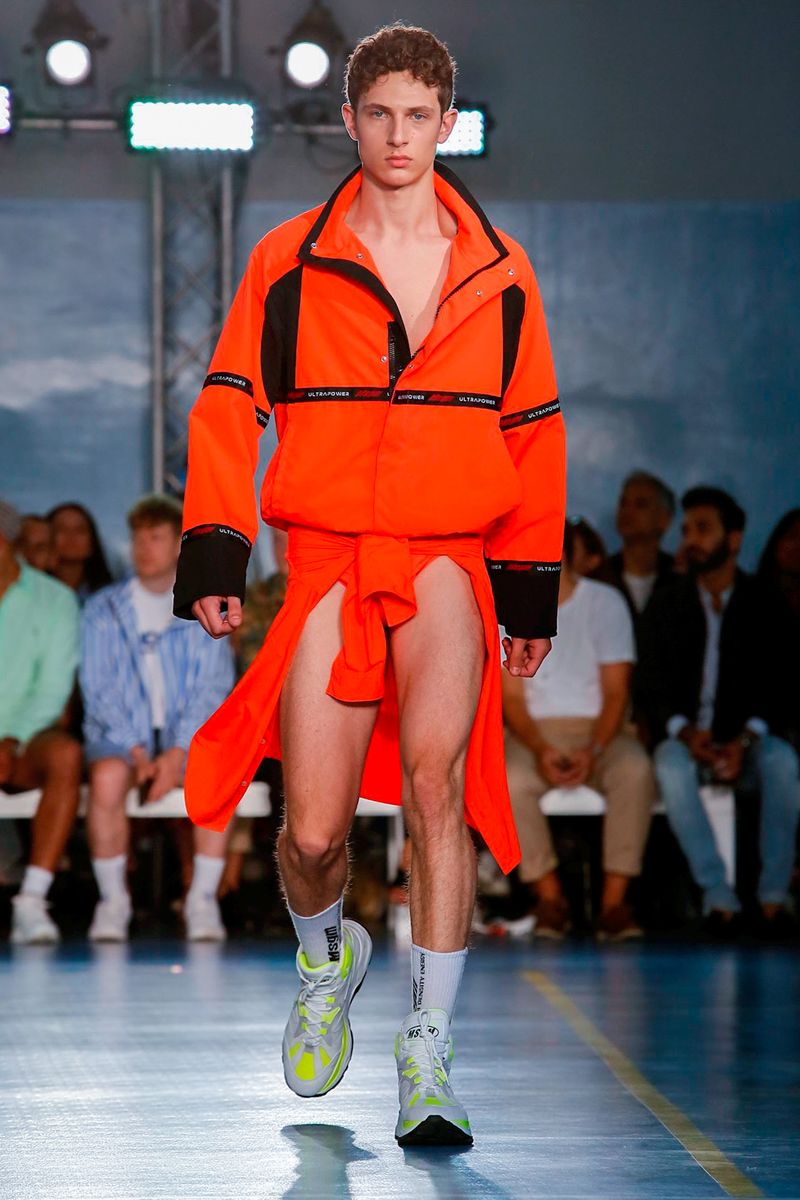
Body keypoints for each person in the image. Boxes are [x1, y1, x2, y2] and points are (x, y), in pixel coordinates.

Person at [172, 24, 565, 1146]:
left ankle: (427, 1053)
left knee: (438, 788)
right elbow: (228, 405)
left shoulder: (500, 270)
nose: (398, 136)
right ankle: (324, 961)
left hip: (445, 554)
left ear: (447, 124)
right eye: (379, 114)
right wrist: (216, 549)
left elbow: (534, 433)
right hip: (330, 557)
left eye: (418, 116)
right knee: (309, 836)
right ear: (348, 121)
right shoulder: (287, 261)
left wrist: (527, 590)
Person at [640, 487, 800, 935]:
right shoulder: (667, 601)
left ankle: (773, 899)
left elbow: (782, 686)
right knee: (669, 763)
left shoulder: (763, 601)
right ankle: (718, 897)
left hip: (746, 741)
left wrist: (743, 741)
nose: (690, 540)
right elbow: (650, 683)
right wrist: (685, 732)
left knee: (782, 761)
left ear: (734, 539)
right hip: (687, 739)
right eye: (686, 530)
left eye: (703, 530)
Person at [80, 495, 235, 942]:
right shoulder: (104, 608)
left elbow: (212, 687)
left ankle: (202, 900)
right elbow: (98, 686)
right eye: (137, 538)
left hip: (187, 736)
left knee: (216, 773)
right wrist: (136, 751)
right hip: (121, 737)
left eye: (156, 537)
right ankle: (113, 902)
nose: (143, 548)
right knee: (108, 778)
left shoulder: (204, 608)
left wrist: (178, 751)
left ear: (179, 546)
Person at [502, 520, 656, 939]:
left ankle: (614, 905)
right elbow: (511, 697)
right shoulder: (510, 607)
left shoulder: (604, 602)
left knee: (635, 770)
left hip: (600, 729)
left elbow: (616, 692)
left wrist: (595, 749)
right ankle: (550, 899)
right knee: (508, 779)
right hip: (532, 732)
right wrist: (539, 748)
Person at [0, 500, 83, 944]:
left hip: (24, 741)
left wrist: (11, 739)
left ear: (5, 543)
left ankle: (31, 901)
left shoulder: (55, 600)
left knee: (65, 754)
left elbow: (52, 690)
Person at [608, 472, 677, 623]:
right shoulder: (600, 575)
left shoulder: (681, 580)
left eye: (640, 504)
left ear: (664, 519)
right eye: (623, 503)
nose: (627, 511)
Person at [47, 502, 113, 604]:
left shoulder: (109, 596)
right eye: (61, 529)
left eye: (80, 530)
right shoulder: (35, 590)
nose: (71, 536)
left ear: (92, 543)